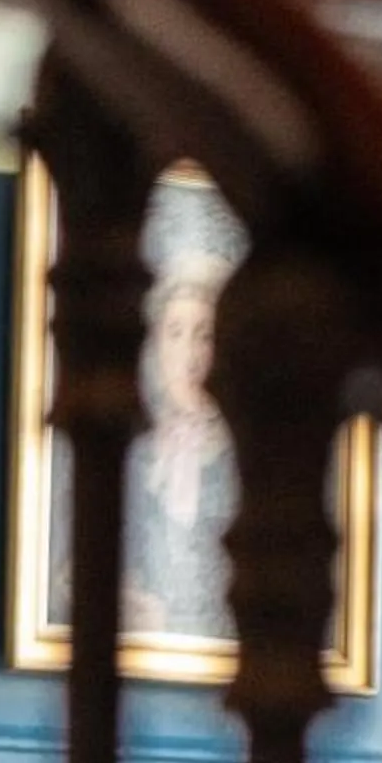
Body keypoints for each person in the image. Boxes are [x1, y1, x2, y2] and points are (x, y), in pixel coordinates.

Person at [122, 251, 237, 640]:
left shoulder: (243, 463)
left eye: (204, 335)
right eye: (175, 333)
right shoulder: (137, 458)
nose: (190, 356)